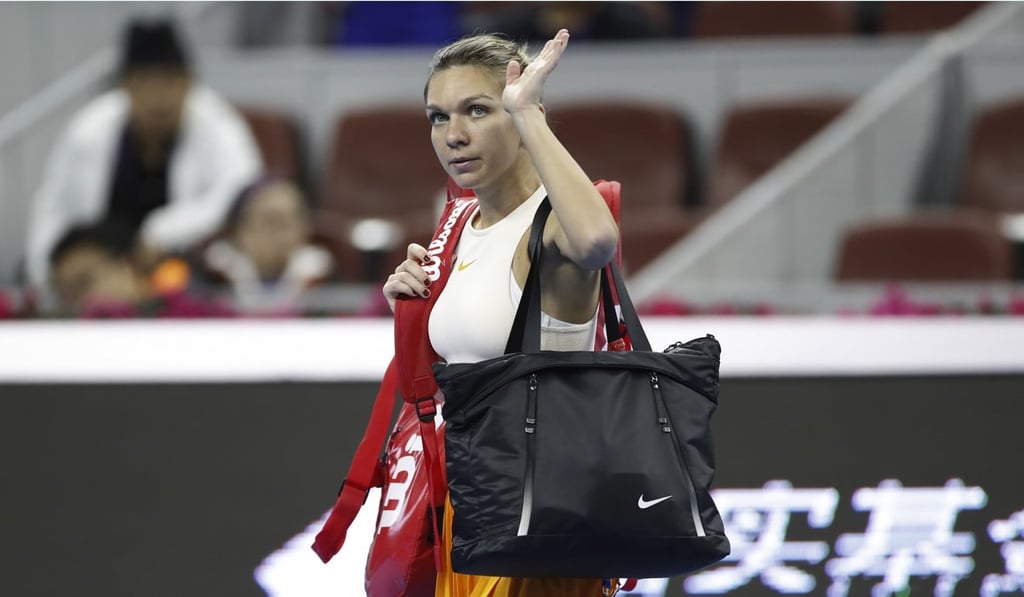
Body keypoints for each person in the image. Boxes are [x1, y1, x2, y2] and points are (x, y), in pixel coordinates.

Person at [382, 29, 620, 597]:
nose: (453, 135)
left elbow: (597, 242)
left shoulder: (554, 223)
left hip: (545, 510)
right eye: (438, 117)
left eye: (478, 110)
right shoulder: (456, 228)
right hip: (469, 509)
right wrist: (412, 302)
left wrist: (527, 115)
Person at [25, 19, 262, 291]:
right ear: (125, 86)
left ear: (189, 82)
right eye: (146, 82)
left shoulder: (218, 125)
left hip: (185, 270)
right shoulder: (89, 131)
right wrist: (43, 276)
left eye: (170, 81)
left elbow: (244, 192)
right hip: (100, 276)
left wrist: (163, 231)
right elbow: (53, 207)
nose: (159, 97)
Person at [48, 219, 231, 318]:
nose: (80, 303)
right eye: (65, 296)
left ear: (128, 266)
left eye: (83, 283)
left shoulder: (201, 318)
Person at [200, 176, 334, 312]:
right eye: (272, 221)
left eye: (294, 221)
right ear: (240, 230)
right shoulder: (208, 288)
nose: (286, 235)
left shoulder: (331, 290)